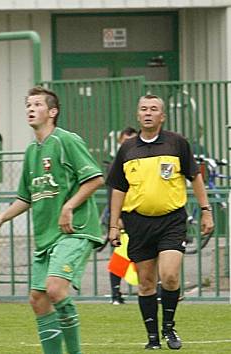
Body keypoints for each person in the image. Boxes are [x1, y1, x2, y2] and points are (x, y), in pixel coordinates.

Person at [0, 87, 104, 354]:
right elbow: (26, 198)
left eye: (37, 104)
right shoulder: (31, 151)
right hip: (46, 237)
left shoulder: (66, 141)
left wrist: (69, 206)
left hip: (75, 230)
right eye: (28, 104)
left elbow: (95, 178)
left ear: (52, 112)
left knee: (55, 289)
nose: (30, 108)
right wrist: (0, 218)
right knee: (38, 299)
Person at [106, 95, 214, 350]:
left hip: (171, 221)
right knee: (145, 282)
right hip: (138, 223)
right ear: (138, 114)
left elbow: (195, 177)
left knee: (169, 275)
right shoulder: (128, 149)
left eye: (154, 109)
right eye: (143, 109)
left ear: (162, 116)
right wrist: (113, 224)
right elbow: (118, 189)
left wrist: (206, 210)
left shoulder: (177, 143)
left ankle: (169, 326)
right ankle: (153, 338)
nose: (148, 113)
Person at [105, 126, 137, 305]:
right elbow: (113, 192)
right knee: (120, 256)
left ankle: (157, 291)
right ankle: (115, 293)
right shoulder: (116, 164)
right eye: (125, 141)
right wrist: (115, 219)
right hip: (123, 217)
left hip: (140, 214)